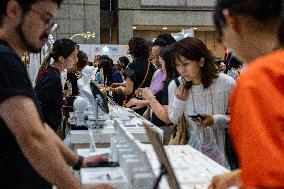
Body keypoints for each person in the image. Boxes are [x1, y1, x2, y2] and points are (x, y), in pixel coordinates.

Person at [0, 0, 113, 189]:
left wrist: (77, 161)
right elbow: (33, 136)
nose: (49, 30)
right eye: (45, 19)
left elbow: (38, 126)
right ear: (13, 10)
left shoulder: (10, 60)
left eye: (52, 23)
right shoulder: (5, 61)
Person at [209, 0, 284, 188]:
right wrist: (241, 175)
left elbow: (268, 179)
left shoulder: (259, 79)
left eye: (221, 37)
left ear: (230, 21)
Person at [168, 37, 235, 167]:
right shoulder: (176, 85)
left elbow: (240, 120)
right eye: (177, 65)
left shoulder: (226, 83)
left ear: (201, 61)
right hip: (189, 156)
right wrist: (179, 101)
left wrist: (215, 120)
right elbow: (174, 120)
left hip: (222, 157)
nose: (181, 70)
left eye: (186, 64)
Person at [35, 38, 78, 131]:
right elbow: (40, 109)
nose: (76, 60)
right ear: (62, 59)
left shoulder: (53, 74)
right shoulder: (52, 78)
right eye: (74, 56)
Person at [114, 37, 156, 115]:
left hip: (135, 104)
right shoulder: (151, 65)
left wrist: (120, 89)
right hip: (148, 104)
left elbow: (128, 91)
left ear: (132, 50)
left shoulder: (131, 67)